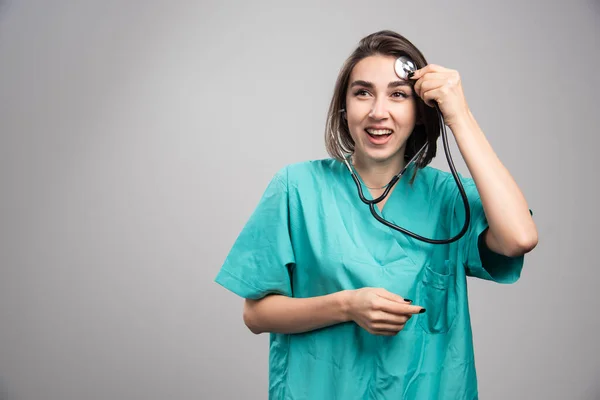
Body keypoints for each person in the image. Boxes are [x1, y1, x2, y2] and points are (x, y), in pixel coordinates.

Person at [214, 30, 538, 399]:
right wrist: (347, 305)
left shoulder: (448, 198)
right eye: (363, 92)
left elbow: (519, 238)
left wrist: (459, 115)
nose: (377, 111)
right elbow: (256, 315)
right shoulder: (297, 187)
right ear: (344, 106)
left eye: (398, 95)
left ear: (419, 112)